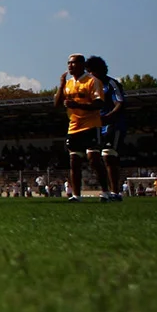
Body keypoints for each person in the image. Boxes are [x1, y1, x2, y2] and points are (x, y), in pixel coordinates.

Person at [54, 54, 107, 202]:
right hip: (74, 127)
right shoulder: (68, 83)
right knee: (74, 161)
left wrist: (77, 105)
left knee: (94, 159)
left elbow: (99, 104)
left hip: (91, 124)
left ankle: (106, 192)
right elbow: (57, 104)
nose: (70, 66)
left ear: (82, 65)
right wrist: (61, 85)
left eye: (74, 63)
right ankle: (76, 195)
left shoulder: (92, 81)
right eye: (68, 63)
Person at [86, 56, 126, 202]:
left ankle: (115, 192)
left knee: (108, 156)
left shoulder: (111, 84)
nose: (90, 75)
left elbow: (119, 103)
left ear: (101, 70)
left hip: (112, 124)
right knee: (92, 157)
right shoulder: (90, 86)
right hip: (96, 125)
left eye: (92, 71)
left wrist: (108, 117)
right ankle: (105, 191)